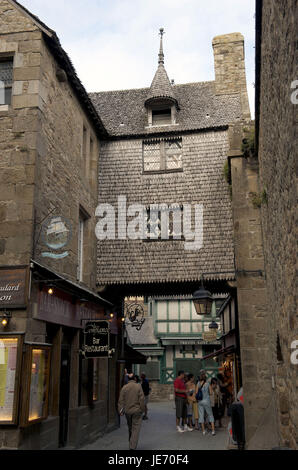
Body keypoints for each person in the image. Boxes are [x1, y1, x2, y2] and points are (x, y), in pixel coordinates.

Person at [118, 372, 145, 450]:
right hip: (137, 411)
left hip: (128, 411)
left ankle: (131, 442)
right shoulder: (138, 386)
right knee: (136, 429)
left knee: (130, 428)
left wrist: (120, 411)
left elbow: (121, 400)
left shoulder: (124, 387)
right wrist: (142, 409)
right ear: (135, 379)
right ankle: (132, 446)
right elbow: (142, 399)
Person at [196, 371, 215, 436]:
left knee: (201, 415)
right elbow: (211, 393)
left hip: (200, 401)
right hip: (206, 401)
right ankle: (213, 431)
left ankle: (203, 431)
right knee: (210, 414)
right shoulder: (207, 384)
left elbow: (196, 393)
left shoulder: (198, 383)